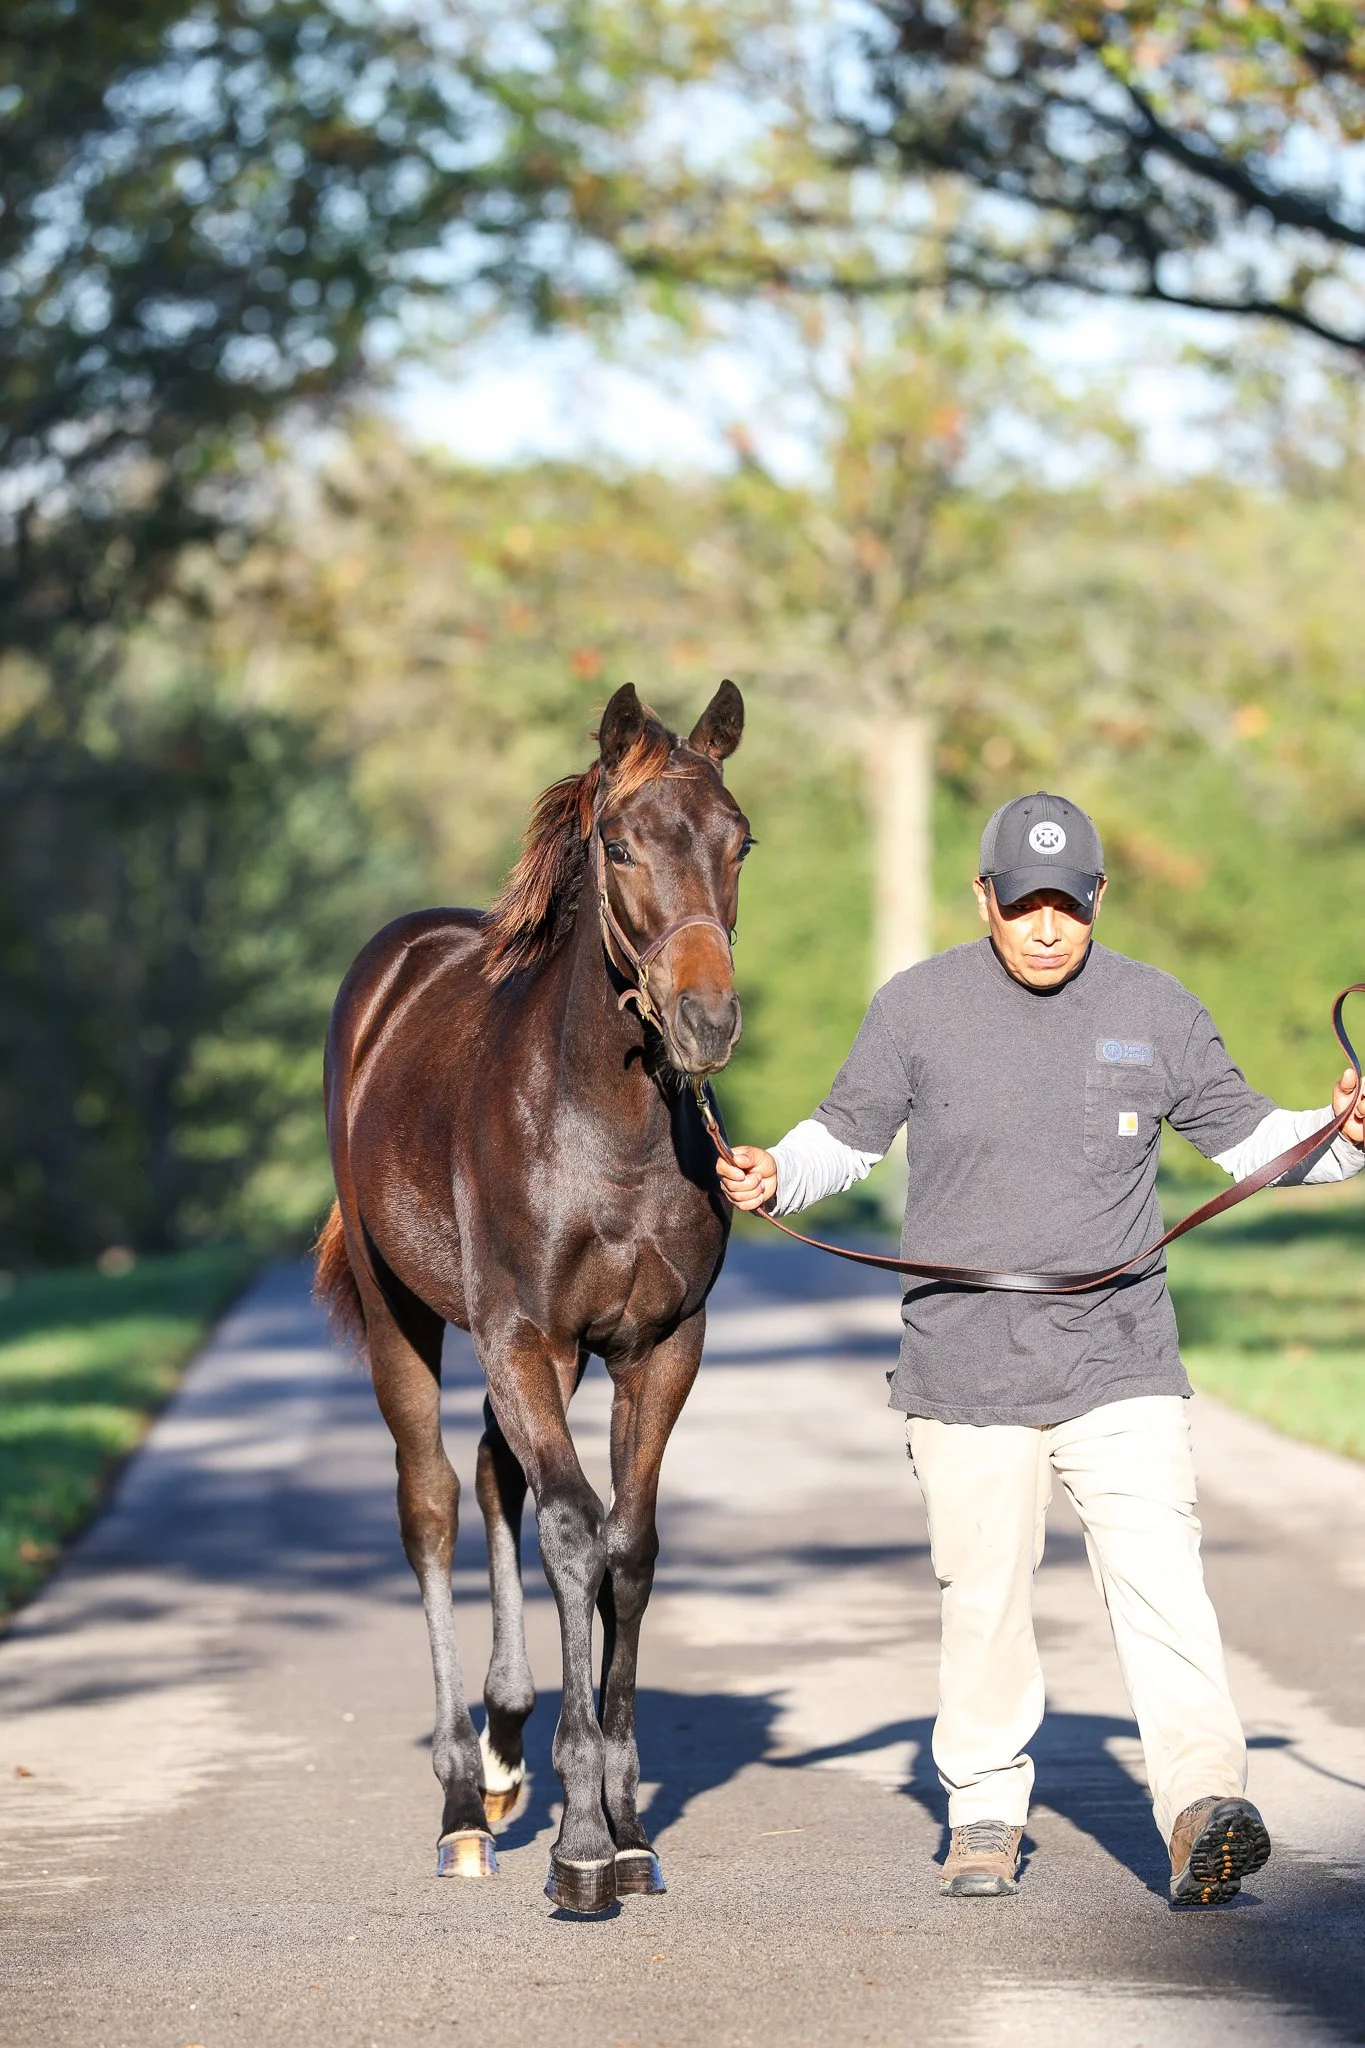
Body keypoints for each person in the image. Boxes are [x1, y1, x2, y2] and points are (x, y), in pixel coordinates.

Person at [716, 792, 1364, 1906]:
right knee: (985, 1598)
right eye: (1026, 905)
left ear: (1100, 896)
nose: (1049, 926)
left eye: (1069, 903)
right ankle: (983, 1811)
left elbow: (1253, 1141)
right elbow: (847, 1135)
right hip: (966, 1368)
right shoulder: (917, 1006)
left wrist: (1340, 1137)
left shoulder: (1156, 1007)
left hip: (1121, 1358)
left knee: (1164, 1584)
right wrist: (779, 1170)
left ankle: (1204, 1804)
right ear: (986, 898)